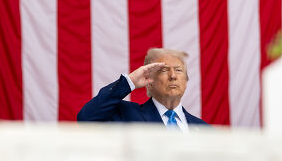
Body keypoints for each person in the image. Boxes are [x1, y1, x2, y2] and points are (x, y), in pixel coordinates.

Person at [77, 48, 208, 130]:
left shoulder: (203, 129)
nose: (173, 76)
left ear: (186, 81)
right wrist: (130, 81)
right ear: (149, 82)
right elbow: (86, 118)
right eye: (164, 70)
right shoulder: (127, 115)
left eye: (179, 70)